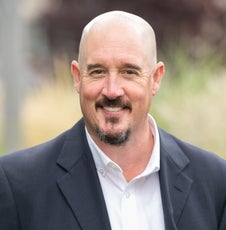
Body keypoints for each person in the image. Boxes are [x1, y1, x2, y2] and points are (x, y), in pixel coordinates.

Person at [0, 10, 226, 230]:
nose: (112, 90)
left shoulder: (215, 181)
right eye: (98, 71)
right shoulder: (18, 185)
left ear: (156, 78)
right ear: (77, 78)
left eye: (129, 71)